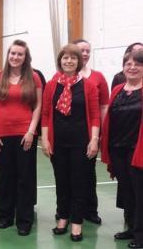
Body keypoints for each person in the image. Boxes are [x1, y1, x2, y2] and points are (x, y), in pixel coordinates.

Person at [41, 44, 100, 242]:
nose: (69, 61)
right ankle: (63, 217)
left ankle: (76, 222)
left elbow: (94, 115)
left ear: (79, 61)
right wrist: (46, 140)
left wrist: (94, 140)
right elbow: (46, 114)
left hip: (80, 142)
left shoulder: (88, 85)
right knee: (62, 181)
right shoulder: (51, 85)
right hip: (58, 142)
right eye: (65, 58)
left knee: (79, 182)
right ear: (60, 61)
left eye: (73, 58)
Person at [0, 39, 42, 236]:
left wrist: (31, 131)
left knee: (25, 178)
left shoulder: (33, 78)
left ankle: (24, 220)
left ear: (25, 57)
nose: (15, 57)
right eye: (13, 53)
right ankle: (6, 216)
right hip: (1, 136)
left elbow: (37, 107)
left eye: (20, 54)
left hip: (24, 135)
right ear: (8, 55)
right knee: (6, 176)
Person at [101, 50, 143, 249]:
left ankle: (141, 235)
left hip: (138, 150)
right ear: (123, 67)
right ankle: (132, 227)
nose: (132, 67)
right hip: (118, 149)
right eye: (128, 63)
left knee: (140, 193)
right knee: (126, 191)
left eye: (137, 64)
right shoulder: (117, 89)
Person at [73, 39, 109, 225]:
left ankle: (90, 210)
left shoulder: (98, 77)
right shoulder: (62, 76)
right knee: (69, 174)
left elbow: (103, 107)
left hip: (90, 134)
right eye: (81, 50)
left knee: (88, 173)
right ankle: (67, 210)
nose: (85, 54)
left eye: (88, 50)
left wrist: (101, 133)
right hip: (70, 134)